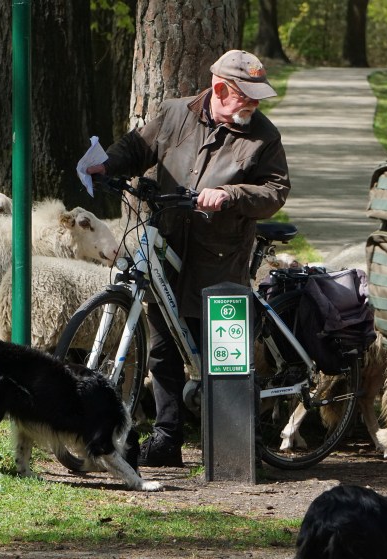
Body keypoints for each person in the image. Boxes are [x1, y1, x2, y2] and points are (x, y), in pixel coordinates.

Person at [86, 50, 290, 466]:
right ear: (219, 89)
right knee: (162, 347)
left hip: (219, 256)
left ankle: (235, 446)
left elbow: (275, 191)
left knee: (218, 349)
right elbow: (137, 148)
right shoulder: (175, 113)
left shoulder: (263, 136)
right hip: (168, 245)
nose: (253, 105)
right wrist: (107, 164)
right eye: (245, 97)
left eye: (257, 98)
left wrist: (232, 194)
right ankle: (167, 439)